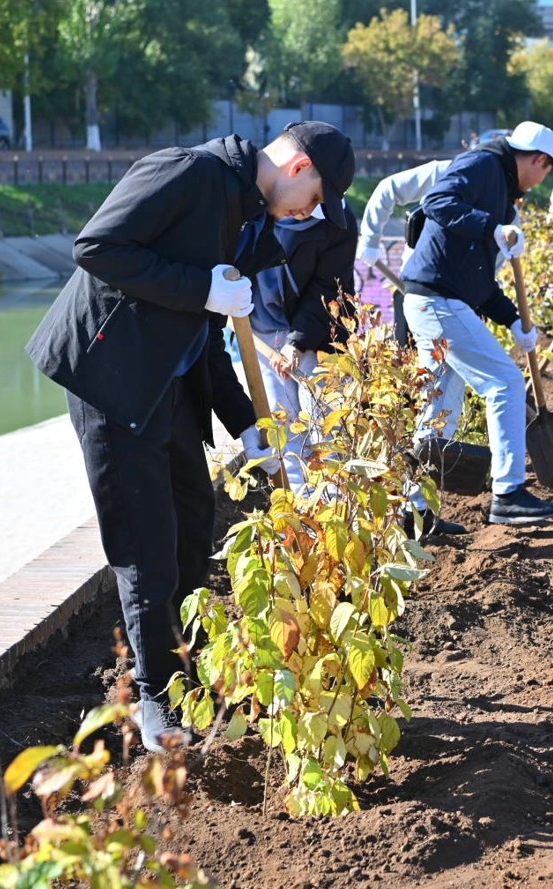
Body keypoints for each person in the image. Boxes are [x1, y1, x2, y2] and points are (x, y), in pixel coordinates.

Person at [26, 121, 355, 751]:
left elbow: (202, 336)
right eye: (316, 196)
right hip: (112, 376)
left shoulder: (246, 213)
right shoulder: (187, 171)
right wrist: (200, 286)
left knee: (193, 519)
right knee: (145, 542)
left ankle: (193, 673)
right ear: (298, 166)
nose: (311, 212)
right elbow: (96, 246)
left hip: (170, 379)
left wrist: (248, 430)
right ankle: (154, 696)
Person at [400, 121, 553, 525]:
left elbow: (479, 282)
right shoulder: (485, 163)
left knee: (439, 408)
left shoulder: (501, 195)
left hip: (437, 300)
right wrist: (491, 227)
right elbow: (438, 200)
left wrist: (513, 321)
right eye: (547, 171)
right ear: (540, 161)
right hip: (437, 300)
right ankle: (508, 493)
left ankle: (415, 512)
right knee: (505, 382)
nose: (543, 178)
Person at [247, 200, 367, 487]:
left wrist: (296, 343)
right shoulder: (253, 201)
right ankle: (302, 512)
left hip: (316, 334)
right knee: (284, 424)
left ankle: (336, 504)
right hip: (263, 328)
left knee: (325, 425)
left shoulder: (337, 221)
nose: (301, 209)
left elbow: (326, 289)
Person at [355, 157, 453, 346]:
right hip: (415, 287)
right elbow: (388, 188)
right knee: (408, 351)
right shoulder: (446, 172)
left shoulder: (503, 194)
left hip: (462, 299)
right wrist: (370, 239)